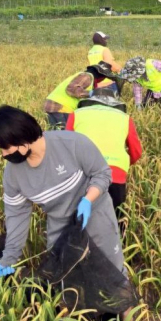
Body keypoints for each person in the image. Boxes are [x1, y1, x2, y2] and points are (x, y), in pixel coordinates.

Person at [0, 105, 134, 321]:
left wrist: (87, 200)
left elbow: (103, 173)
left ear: (23, 140)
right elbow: (16, 217)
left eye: (6, 148)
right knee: (67, 283)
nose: (4, 155)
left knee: (114, 276)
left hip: (95, 216)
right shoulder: (13, 175)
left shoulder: (73, 144)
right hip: (60, 227)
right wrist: (8, 258)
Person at [66, 90, 142, 233]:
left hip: (83, 172)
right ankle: (118, 249)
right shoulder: (124, 118)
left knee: (82, 218)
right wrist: (123, 165)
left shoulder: (76, 114)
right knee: (116, 216)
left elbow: (67, 145)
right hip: (115, 173)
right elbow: (136, 151)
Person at [44, 62, 114, 129]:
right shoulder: (87, 76)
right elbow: (72, 89)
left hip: (54, 106)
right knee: (63, 136)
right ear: (101, 76)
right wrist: (92, 93)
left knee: (55, 135)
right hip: (61, 108)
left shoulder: (83, 76)